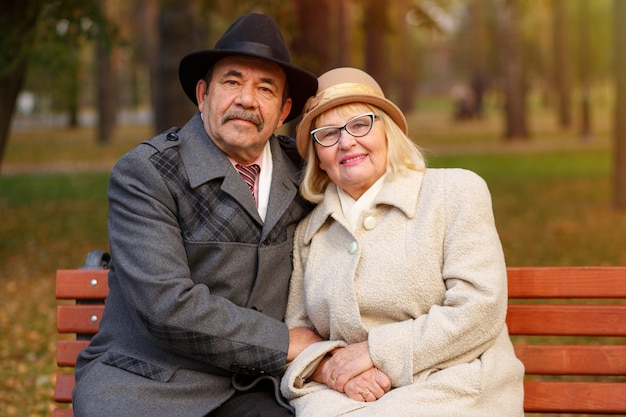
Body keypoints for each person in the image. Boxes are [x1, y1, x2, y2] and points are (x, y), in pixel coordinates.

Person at [73, 13, 323, 417]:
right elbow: (166, 304)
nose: (246, 99)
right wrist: (284, 342)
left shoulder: (306, 172)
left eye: (265, 88)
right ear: (203, 94)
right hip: (146, 383)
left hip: (251, 385)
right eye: (232, 81)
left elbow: (376, 173)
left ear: (283, 110)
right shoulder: (148, 173)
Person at [280, 67, 525, 416]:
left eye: (360, 124)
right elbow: (298, 329)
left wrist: (374, 352)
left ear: (388, 131)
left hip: (451, 385)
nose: (346, 142)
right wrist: (332, 370)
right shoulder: (309, 232)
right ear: (317, 156)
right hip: (342, 397)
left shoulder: (454, 192)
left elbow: (478, 309)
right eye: (328, 134)